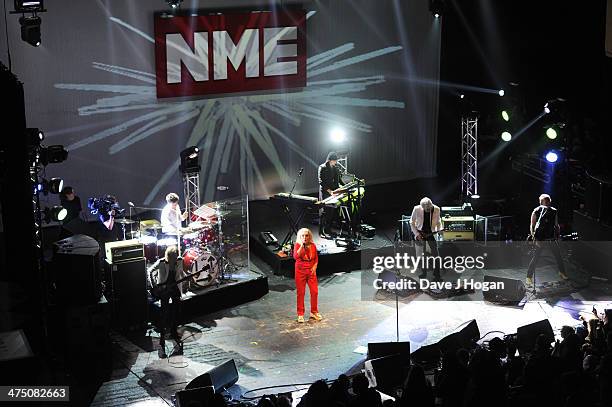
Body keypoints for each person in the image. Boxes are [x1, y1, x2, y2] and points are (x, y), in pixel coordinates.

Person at [151, 245, 184, 358]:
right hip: (164, 289)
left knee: (176, 310)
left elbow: (180, 273)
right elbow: (149, 271)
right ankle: (162, 336)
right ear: (168, 256)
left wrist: (187, 278)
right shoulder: (161, 262)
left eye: (175, 257)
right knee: (164, 312)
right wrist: (154, 286)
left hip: (174, 288)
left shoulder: (180, 261)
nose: (174, 259)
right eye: (173, 257)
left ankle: (174, 331)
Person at [526, 193, 567, 286]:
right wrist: (534, 237)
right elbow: (532, 225)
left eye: (549, 200)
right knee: (536, 257)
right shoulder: (536, 211)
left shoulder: (554, 211)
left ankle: (562, 272)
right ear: (541, 202)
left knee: (558, 256)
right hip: (540, 238)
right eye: (546, 201)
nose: (548, 202)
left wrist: (558, 235)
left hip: (551, 237)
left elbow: (556, 225)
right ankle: (528, 277)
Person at [410, 197, 442, 281]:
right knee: (422, 255)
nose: (428, 209)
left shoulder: (437, 209)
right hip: (420, 233)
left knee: (436, 254)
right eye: (426, 209)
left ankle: (437, 274)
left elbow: (439, 222)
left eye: (429, 208)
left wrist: (439, 230)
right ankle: (423, 273)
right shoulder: (416, 209)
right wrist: (417, 234)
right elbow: (412, 223)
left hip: (431, 233)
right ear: (422, 207)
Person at [293, 228, 321, 323]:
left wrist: (315, 267)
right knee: (301, 293)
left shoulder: (313, 245)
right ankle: (300, 314)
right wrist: (302, 246)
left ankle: (314, 312)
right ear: (300, 237)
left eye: (307, 235)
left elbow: (316, 258)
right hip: (300, 271)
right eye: (303, 236)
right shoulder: (297, 245)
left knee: (315, 292)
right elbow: (296, 257)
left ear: (310, 236)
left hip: (311, 271)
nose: (305, 237)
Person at [318, 151, 344, 238]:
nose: (336, 162)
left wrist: (345, 187)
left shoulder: (335, 168)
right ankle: (321, 231)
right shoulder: (322, 167)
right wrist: (330, 191)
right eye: (334, 161)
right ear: (330, 160)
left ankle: (328, 229)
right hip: (326, 191)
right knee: (324, 211)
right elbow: (321, 182)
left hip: (333, 191)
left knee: (331, 211)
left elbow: (339, 180)